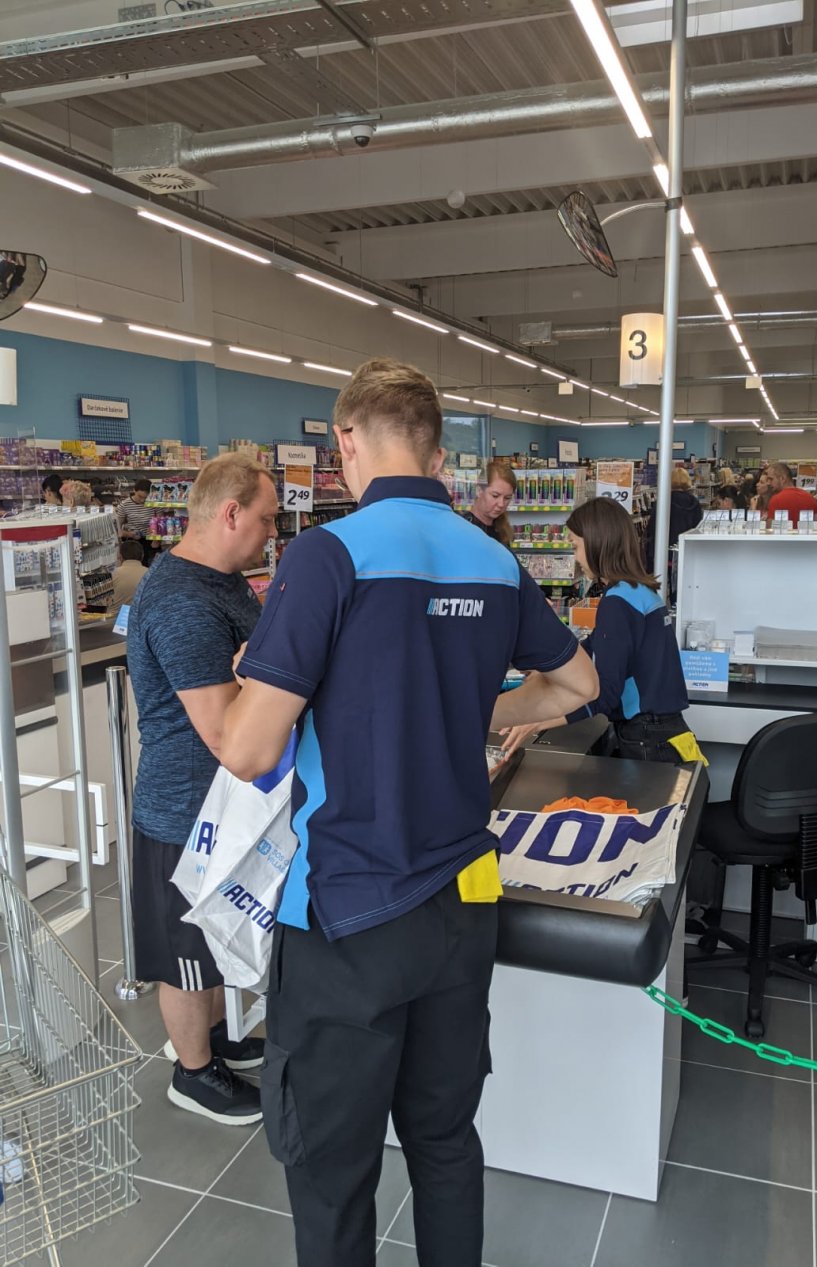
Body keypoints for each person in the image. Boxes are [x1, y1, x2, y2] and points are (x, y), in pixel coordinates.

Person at [218, 357, 597, 1267]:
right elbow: (576, 683)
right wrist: (468, 709)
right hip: (461, 904)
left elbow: (249, 750)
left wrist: (247, 689)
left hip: (347, 913)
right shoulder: (492, 558)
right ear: (432, 448)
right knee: (445, 1142)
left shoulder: (328, 555)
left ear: (346, 439)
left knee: (333, 1170)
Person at [126, 452, 279, 1126]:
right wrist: (261, 676)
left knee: (212, 942)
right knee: (185, 957)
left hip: (222, 804)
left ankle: (216, 1041)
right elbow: (222, 731)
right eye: (266, 520)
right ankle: (192, 1073)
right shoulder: (183, 601)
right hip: (186, 809)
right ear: (231, 513)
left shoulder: (223, 581)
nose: (272, 533)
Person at [500, 496, 698, 765]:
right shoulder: (639, 592)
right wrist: (545, 673)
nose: (576, 558)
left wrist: (536, 720)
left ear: (596, 543)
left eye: (576, 546)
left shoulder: (617, 603)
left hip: (645, 739)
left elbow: (603, 694)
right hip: (667, 732)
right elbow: (590, 648)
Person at [644, 467, 703, 572]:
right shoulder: (694, 502)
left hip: (663, 550)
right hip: (686, 549)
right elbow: (698, 527)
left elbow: (653, 527)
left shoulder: (663, 501)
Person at [464, 459, 515, 544]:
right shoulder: (464, 528)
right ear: (479, 490)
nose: (501, 504)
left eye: (507, 498)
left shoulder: (502, 530)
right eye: (495, 496)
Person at [117, 478, 154, 561]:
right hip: (133, 544)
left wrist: (155, 531)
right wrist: (129, 534)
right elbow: (117, 528)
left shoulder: (154, 503)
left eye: (146, 497)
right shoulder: (125, 505)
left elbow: (161, 520)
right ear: (134, 490)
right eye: (140, 496)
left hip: (151, 541)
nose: (143, 500)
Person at [110, 539, 147, 614]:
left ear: (120, 557)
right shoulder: (152, 573)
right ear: (142, 555)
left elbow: (101, 603)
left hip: (116, 619)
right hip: (144, 618)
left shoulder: (113, 575)